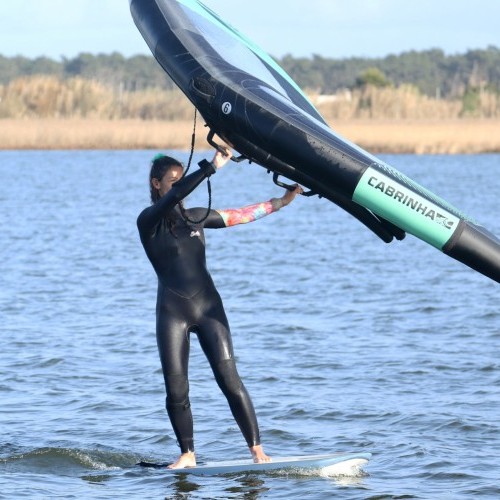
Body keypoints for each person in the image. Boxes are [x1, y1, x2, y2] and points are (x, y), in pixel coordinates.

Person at [137, 146, 302, 469]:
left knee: (230, 380)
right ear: (157, 184)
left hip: (209, 307)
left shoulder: (196, 216)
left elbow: (239, 215)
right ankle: (187, 455)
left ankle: (256, 450)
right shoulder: (148, 221)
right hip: (172, 313)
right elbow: (175, 197)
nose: (179, 186)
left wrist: (282, 202)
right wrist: (211, 167)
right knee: (177, 387)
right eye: (172, 181)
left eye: (180, 180)